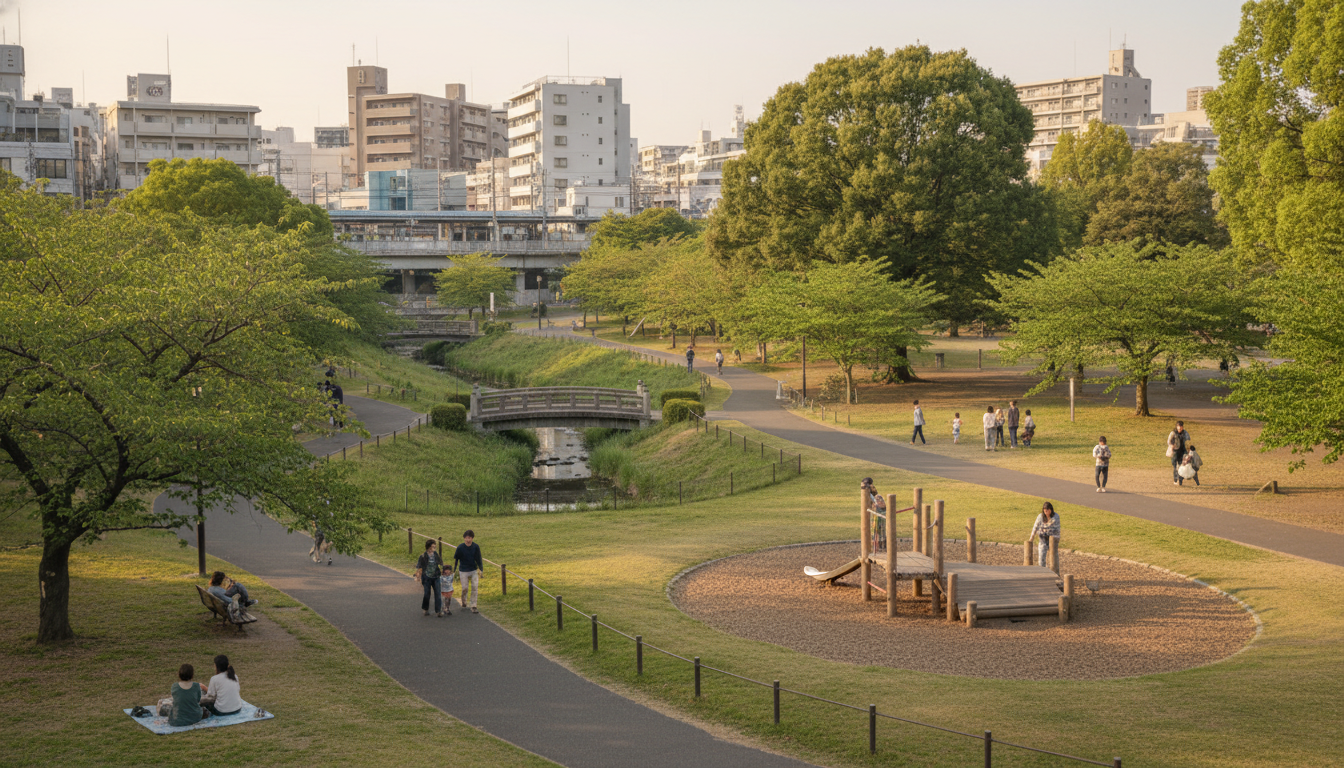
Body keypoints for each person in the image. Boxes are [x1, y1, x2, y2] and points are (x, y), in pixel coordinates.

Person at [413, 539, 445, 617]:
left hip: (436, 576)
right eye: (433, 546)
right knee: (427, 594)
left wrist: (443, 570)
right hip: (426, 577)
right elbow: (419, 567)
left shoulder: (436, 554)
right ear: (429, 547)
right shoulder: (423, 556)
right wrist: (418, 576)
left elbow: (441, 563)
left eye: (435, 546)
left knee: (438, 593)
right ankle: (425, 608)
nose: (434, 547)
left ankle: (438, 611)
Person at [454, 530, 484, 614]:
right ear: (464, 538)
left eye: (469, 538)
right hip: (463, 570)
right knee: (465, 588)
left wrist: (481, 569)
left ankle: (474, 605)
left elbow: (478, 558)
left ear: (472, 538)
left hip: (473, 569)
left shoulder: (475, 547)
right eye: (466, 538)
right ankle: (464, 600)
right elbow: (456, 559)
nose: (468, 540)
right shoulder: (460, 547)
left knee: (475, 587)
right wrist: (454, 570)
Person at [1029, 502, 1061, 568]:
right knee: (1041, 558)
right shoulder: (1040, 517)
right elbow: (1035, 527)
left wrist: (1057, 539)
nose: (1045, 512)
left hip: (1052, 539)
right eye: (1044, 510)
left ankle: (1055, 573)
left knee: (1054, 557)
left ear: (1050, 510)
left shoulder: (1055, 517)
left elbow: (1054, 528)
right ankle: (1042, 572)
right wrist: (1031, 537)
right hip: (1043, 539)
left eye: (1047, 510)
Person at [1167, 421, 1191, 486]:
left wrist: (1189, 449)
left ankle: (1180, 480)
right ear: (1176, 426)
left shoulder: (1185, 433)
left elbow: (1189, 441)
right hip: (1175, 452)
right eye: (1178, 426)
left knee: (1181, 466)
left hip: (1183, 452)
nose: (1180, 427)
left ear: (1183, 427)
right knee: (1175, 466)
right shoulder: (1173, 433)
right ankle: (1175, 480)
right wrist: (1172, 445)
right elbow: (1169, 441)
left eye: (1181, 426)